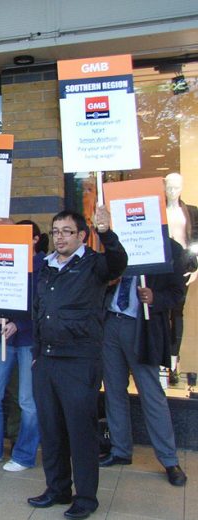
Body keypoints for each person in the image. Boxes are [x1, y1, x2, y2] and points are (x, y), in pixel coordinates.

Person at [28, 207, 127, 520]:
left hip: (79, 360)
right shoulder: (45, 266)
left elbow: (118, 263)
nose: (60, 237)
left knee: (80, 432)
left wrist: (107, 233)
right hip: (46, 359)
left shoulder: (94, 264)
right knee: (52, 429)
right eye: (56, 231)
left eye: (67, 231)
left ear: (82, 235)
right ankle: (57, 489)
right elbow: (39, 308)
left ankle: (85, 497)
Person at [100, 238, 187, 486]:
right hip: (112, 322)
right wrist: (108, 282)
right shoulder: (119, 242)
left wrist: (155, 297)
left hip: (142, 327)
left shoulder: (170, 248)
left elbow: (177, 292)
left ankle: (169, 460)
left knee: (151, 394)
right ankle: (120, 450)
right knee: (114, 391)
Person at [0, 221, 47, 471]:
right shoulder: (1, 260)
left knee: (27, 400)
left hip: (27, 342)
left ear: (34, 239)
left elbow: (43, 306)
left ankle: (24, 454)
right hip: (1, 338)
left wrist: (20, 325)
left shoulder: (43, 267)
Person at [163, 173, 198, 383]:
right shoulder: (159, 211)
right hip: (163, 265)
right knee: (161, 313)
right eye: (169, 186)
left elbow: (195, 240)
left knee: (178, 315)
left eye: (177, 187)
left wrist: (196, 267)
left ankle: (175, 364)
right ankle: (164, 363)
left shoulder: (191, 212)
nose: (173, 190)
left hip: (184, 266)